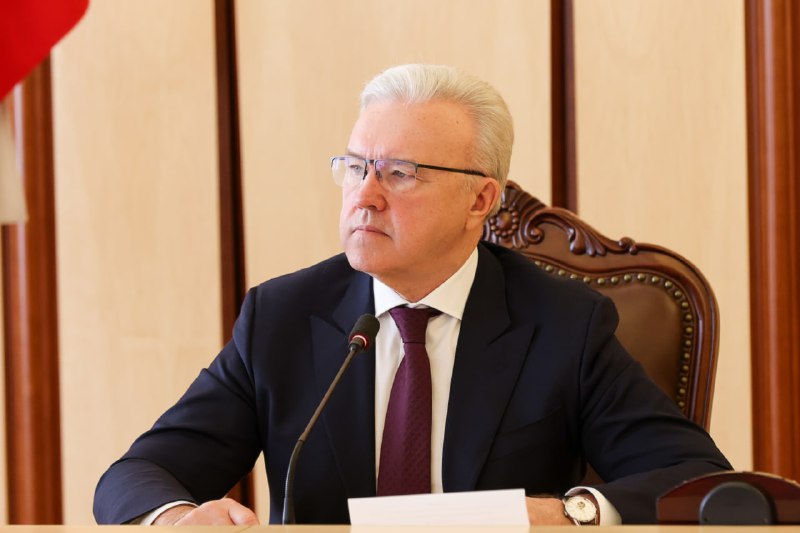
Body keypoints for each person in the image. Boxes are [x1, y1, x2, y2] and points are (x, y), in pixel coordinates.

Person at [93, 64, 731, 526]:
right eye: (355, 168)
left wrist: (573, 512)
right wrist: (174, 519)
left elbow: (698, 478)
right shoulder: (282, 317)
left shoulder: (564, 323)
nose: (365, 197)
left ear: (480, 200)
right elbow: (136, 476)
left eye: (400, 174)